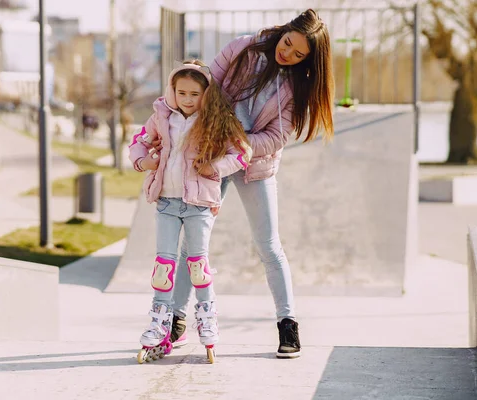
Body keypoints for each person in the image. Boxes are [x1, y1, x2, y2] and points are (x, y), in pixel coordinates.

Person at [160, 9, 335, 359]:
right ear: (283, 31)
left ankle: (288, 323)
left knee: (269, 245)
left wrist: (242, 146)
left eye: (299, 54)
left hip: (256, 166)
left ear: (309, 59)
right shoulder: (243, 48)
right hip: (212, 158)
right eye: (288, 44)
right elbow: (207, 90)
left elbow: (277, 137)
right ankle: (175, 318)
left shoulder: (299, 86)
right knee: (191, 243)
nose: (288, 54)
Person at [128, 60, 253, 361]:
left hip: (199, 203)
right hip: (167, 201)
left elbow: (243, 153)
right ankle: (160, 322)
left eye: (194, 94)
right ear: (172, 90)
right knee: (164, 266)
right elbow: (139, 143)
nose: (187, 99)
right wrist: (144, 162)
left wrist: (215, 167)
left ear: (205, 94)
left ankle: (207, 319)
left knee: (198, 264)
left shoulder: (216, 120)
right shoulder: (161, 115)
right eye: (181, 92)